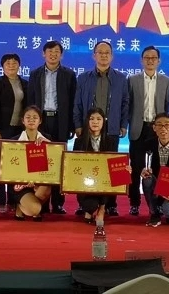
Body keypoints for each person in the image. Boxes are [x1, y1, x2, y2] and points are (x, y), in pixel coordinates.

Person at [73, 41, 130, 216]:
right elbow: (77, 103)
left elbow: (125, 103)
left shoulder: (121, 78)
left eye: (107, 53)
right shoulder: (84, 78)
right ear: (94, 55)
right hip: (89, 128)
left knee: (112, 167)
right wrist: (78, 125)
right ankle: (85, 201)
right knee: (86, 165)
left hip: (111, 129)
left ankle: (110, 204)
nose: (104, 55)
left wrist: (123, 124)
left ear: (112, 56)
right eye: (100, 52)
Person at [27, 40, 77, 215]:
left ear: (61, 55)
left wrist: (72, 125)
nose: (53, 54)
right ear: (43, 54)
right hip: (41, 121)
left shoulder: (69, 75)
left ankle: (58, 203)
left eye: (56, 51)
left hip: (60, 121)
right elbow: (30, 100)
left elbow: (73, 101)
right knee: (40, 160)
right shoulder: (35, 74)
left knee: (59, 161)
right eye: (49, 51)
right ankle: (41, 201)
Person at [127, 45, 169, 216]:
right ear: (142, 60)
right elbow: (128, 104)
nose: (150, 61)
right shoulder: (132, 80)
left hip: (157, 130)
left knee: (159, 167)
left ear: (159, 61)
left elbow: (166, 105)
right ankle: (134, 203)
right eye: (147, 58)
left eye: (153, 58)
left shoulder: (166, 81)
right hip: (138, 128)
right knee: (135, 167)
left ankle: (159, 203)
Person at [0, 53, 28, 213]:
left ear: (19, 65)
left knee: (15, 165)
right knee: (0, 165)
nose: (11, 65)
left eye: (14, 63)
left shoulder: (25, 83)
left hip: (19, 130)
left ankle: (13, 200)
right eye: (8, 63)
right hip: (3, 129)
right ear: (3, 67)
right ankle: (0, 201)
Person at [73, 108, 121, 224]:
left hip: (103, 183)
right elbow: (73, 165)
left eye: (99, 119)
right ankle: (91, 209)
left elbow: (114, 165)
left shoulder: (111, 142)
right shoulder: (79, 142)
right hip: (85, 183)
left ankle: (102, 208)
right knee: (90, 206)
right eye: (92, 119)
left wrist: (124, 169)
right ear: (87, 121)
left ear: (104, 122)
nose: (95, 122)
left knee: (105, 178)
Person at [12, 106, 52, 221]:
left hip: (39, 184)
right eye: (28, 117)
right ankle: (21, 206)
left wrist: (50, 145)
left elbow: (53, 164)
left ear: (40, 121)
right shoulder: (13, 142)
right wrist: (26, 178)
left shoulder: (47, 139)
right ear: (22, 120)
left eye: (35, 117)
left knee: (47, 186)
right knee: (35, 209)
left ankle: (30, 206)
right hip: (20, 185)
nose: (31, 120)